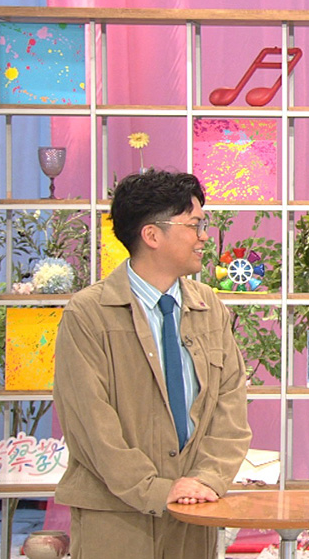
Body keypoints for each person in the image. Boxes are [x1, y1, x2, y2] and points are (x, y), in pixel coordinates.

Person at [53, 170, 251, 559]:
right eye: (194, 225)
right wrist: (156, 489)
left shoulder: (209, 307)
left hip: (194, 511)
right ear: (152, 235)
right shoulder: (88, 314)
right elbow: (90, 423)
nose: (204, 237)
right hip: (114, 516)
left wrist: (206, 480)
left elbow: (231, 406)